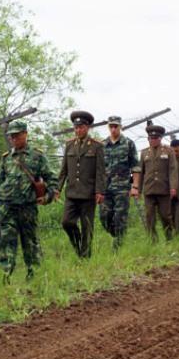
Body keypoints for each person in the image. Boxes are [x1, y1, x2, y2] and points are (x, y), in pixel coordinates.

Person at [0, 119, 58, 281]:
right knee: (7, 241)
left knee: (30, 242)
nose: (13, 139)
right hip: (7, 207)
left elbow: (52, 179)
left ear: (25, 134)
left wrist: (47, 197)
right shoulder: (6, 158)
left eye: (16, 135)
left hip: (27, 208)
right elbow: (0, 182)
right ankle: (5, 276)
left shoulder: (37, 156)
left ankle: (34, 275)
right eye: (11, 136)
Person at [56, 110, 105, 258]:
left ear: (88, 127)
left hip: (88, 194)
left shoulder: (97, 146)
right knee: (66, 223)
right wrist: (57, 188)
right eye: (76, 127)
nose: (78, 130)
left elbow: (100, 171)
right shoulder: (69, 145)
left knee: (87, 227)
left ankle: (85, 257)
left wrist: (99, 191)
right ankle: (79, 247)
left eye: (81, 127)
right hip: (71, 193)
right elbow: (63, 170)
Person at [100, 115, 140, 249]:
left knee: (120, 218)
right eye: (111, 126)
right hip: (105, 188)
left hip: (122, 187)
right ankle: (116, 235)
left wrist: (135, 186)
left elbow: (135, 166)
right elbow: (98, 168)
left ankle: (118, 246)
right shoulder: (102, 145)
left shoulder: (128, 143)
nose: (113, 129)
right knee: (104, 217)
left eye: (115, 126)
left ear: (120, 127)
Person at [132, 125, 178, 241]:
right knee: (149, 217)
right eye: (150, 138)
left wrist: (173, 187)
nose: (153, 140)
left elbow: (173, 170)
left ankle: (169, 238)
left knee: (165, 216)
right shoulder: (144, 153)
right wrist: (137, 189)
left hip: (164, 189)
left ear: (160, 138)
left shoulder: (168, 151)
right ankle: (153, 241)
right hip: (149, 190)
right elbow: (140, 172)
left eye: (155, 138)